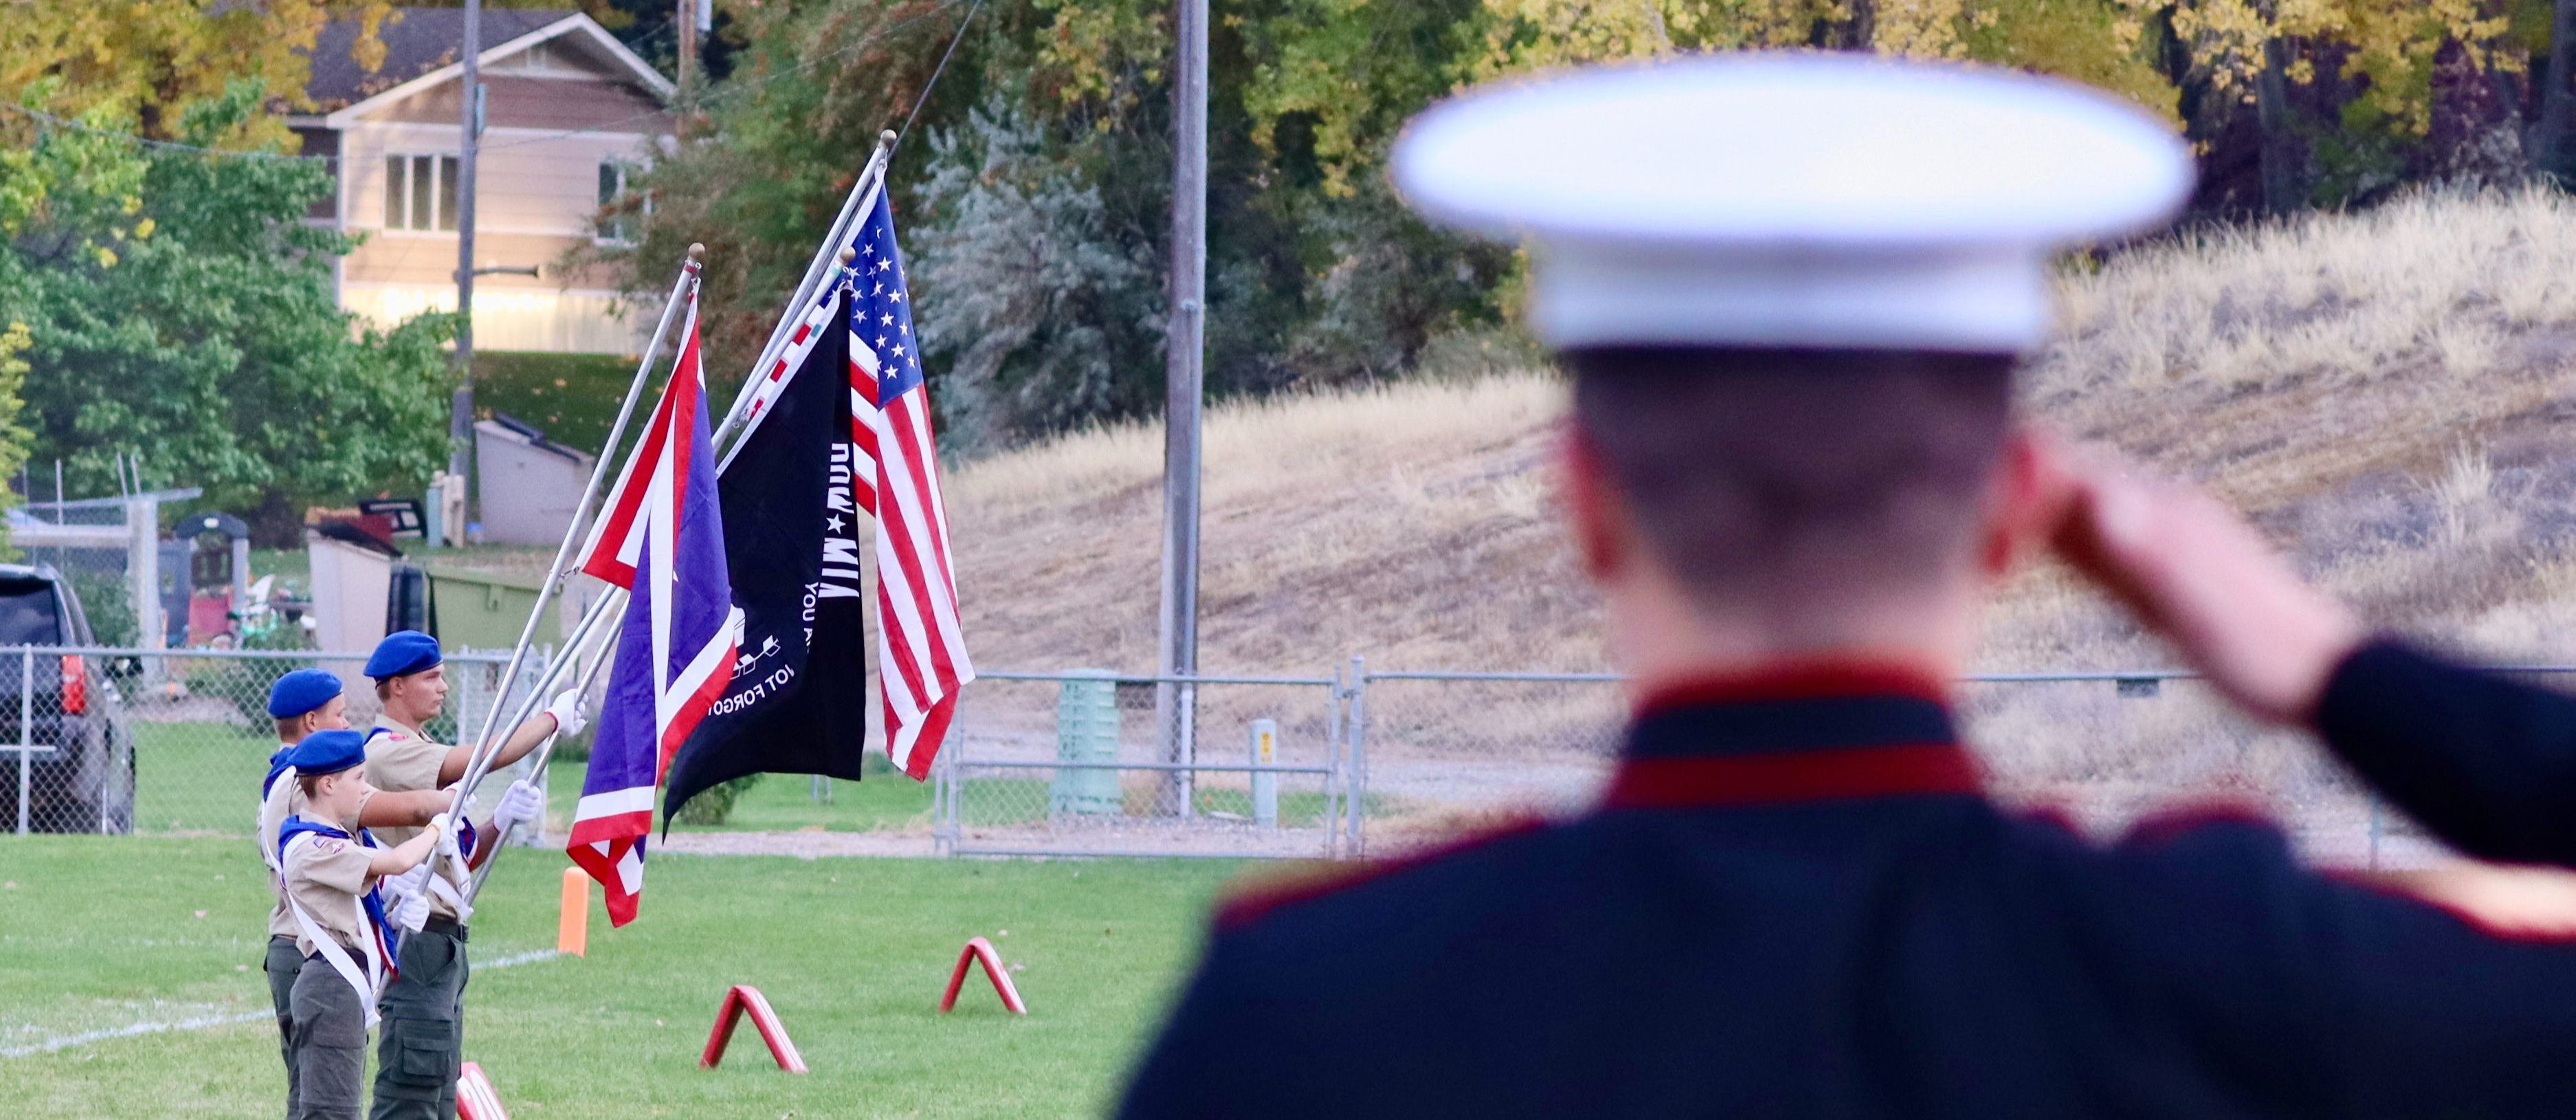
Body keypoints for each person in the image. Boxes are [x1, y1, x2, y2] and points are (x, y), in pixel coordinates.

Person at [1119, 55, 2576, 1118]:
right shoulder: (2239, 980)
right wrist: (2328, 667)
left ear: (1583, 499)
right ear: (2014, 514)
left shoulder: (1316, 1011)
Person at [359, 630, 579, 1120]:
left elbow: (456, 857)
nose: (442, 686)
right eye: (431, 677)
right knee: (409, 1093)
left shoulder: (416, 746)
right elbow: (481, 758)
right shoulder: (389, 750)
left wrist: (501, 819)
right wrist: (550, 720)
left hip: (443, 943)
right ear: (397, 686)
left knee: (437, 1090)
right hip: (417, 941)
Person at [257, 668, 449, 1119]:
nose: (365, 789)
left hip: (329, 969)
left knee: (321, 1102)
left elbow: (361, 887)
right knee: (327, 1106)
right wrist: (439, 822)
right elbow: (398, 855)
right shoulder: (304, 809)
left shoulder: (320, 812)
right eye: (358, 779)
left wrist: (396, 913)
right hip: (316, 967)